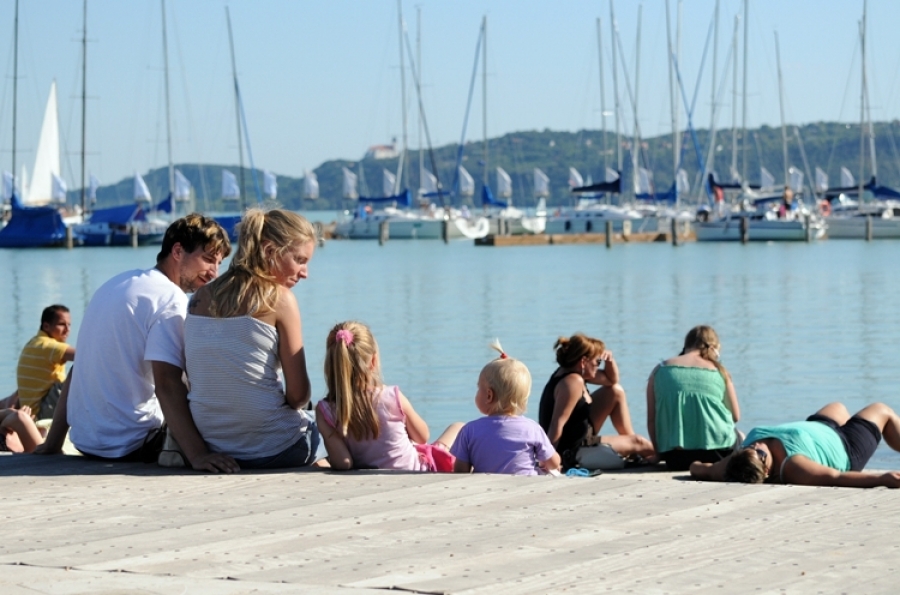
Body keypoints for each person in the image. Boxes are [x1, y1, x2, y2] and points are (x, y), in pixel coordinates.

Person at [36, 213, 237, 473]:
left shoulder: (116, 284)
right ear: (178, 251)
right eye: (208, 259)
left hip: (87, 442)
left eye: (219, 264)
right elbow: (167, 383)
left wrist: (53, 443)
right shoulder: (170, 299)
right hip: (134, 444)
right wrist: (198, 456)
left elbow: (78, 370)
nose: (214, 273)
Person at [184, 209, 320, 469]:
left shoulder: (199, 299)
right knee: (324, 429)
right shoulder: (280, 299)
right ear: (270, 251)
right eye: (300, 260)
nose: (305, 273)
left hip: (214, 445)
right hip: (275, 447)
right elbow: (298, 396)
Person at [316, 321, 462, 471]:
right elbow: (422, 436)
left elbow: (344, 462)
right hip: (418, 471)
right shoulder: (391, 396)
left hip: (371, 478)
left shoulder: (324, 411)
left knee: (319, 461)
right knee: (458, 427)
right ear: (373, 361)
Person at [690, 402, 900, 488]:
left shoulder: (737, 462)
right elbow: (836, 477)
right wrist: (882, 478)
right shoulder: (794, 467)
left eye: (749, 448)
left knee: (838, 406)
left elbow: (703, 470)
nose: (756, 446)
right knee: (882, 411)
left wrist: (694, 466)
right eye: (758, 453)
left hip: (819, 429)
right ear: (766, 469)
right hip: (846, 447)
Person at [539, 333, 654, 470]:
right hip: (572, 450)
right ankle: (659, 454)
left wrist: (610, 361)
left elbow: (612, 380)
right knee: (640, 442)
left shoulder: (571, 372)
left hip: (581, 435)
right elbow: (556, 424)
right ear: (583, 362)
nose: (599, 366)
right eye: (597, 362)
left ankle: (632, 449)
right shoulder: (573, 382)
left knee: (615, 392)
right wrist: (550, 460)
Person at [452, 342, 560, 475]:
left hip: (484, 490)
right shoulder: (532, 428)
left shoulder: (469, 431)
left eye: (479, 388)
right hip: (525, 490)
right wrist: (543, 463)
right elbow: (554, 463)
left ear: (489, 395)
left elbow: (460, 472)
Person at [646, 325, 740, 471]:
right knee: (740, 435)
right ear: (714, 347)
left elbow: (652, 420)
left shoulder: (660, 370)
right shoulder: (719, 372)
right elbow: (735, 416)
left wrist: (659, 454)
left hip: (675, 457)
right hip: (718, 453)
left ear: (686, 345)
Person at [15, 304, 76, 420]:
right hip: (41, 413)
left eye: (69, 325)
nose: (67, 330)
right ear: (46, 326)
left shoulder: (34, 342)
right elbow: (84, 355)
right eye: (62, 324)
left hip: (32, 411)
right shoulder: (48, 346)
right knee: (76, 375)